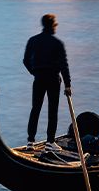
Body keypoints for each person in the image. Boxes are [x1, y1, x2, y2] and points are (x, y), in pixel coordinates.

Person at [23, 13, 71, 143]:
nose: (56, 27)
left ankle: (30, 141)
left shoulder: (33, 40)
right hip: (53, 80)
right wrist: (68, 85)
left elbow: (26, 61)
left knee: (35, 109)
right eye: (55, 24)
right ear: (52, 26)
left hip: (38, 79)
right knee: (52, 111)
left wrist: (34, 72)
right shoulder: (57, 43)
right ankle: (50, 142)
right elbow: (63, 66)